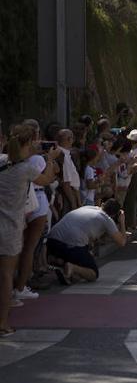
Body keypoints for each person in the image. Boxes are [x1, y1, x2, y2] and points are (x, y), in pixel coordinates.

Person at [0, 123, 61, 337]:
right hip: (10, 227)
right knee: (6, 276)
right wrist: (50, 158)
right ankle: (3, 323)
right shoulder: (26, 169)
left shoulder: (1, 161)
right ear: (28, 144)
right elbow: (49, 179)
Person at [47, 199, 127, 285]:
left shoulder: (88, 208)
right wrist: (122, 221)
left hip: (52, 240)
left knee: (86, 251)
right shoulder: (107, 219)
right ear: (115, 215)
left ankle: (59, 261)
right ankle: (72, 267)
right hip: (71, 246)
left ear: (103, 204)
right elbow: (122, 242)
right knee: (93, 274)